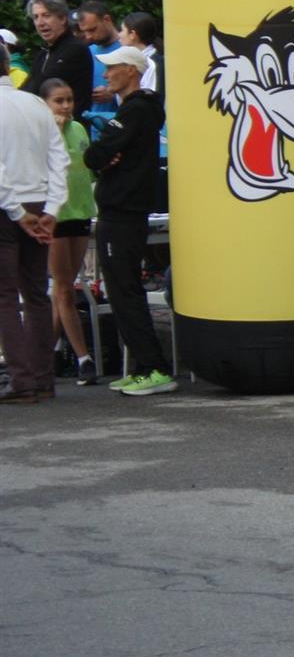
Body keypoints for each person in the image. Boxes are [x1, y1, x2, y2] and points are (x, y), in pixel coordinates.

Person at [84, 46, 171, 396]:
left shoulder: (135, 110)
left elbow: (95, 155)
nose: (106, 75)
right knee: (123, 290)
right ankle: (142, 367)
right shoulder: (141, 109)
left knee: (125, 290)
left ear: (131, 70)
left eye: (113, 68)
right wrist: (105, 155)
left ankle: (154, 368)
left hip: (121, 212)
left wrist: (104, 155)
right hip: (126, 210)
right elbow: (102, 155)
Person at [0, 35, 67, 405]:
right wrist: (51, 210)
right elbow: (59, 159)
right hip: (39, 200)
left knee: (6, 296)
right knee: (37, 292)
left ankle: (22, 380)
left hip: (8, 205)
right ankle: (42, 378)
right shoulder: (36, 104)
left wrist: (17, 211)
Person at [37, 79, 97, 385]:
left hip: (81, 211)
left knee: (63, 289)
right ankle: (84, 358)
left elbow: (87, 169)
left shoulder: (80, 129)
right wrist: (56, 133)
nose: (65, 106)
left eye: (69, 100)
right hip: (56, 216)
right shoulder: (41, 133)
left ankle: (44, 358)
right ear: (45, 104)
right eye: (58, 101)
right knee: (64, 289)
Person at [22, 0, 90, 101]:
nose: (40, 23)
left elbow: (41, 88)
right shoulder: (43, 53)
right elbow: (26, 88)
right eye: (36, 17)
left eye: (46, 15)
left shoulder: (75, 49)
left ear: (62, 18)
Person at [74, 1, 122, 138]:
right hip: (91, 133)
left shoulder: (127, 49)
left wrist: (114, 97)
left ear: (107, 19)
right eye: (84, 31)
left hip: (120, 130)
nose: (88, 36)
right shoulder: (87, 52)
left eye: (92, 29)